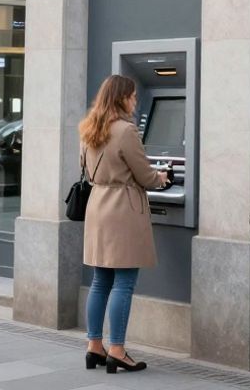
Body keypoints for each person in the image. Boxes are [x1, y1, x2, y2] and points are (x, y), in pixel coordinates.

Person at [80, 74, 169, 374]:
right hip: (123, 210)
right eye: (132, 96)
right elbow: (145, 176)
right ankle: (117, 350)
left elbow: (87, 170)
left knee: (100, 280)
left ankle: (94, 345)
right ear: (121, 98)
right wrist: (162, 177)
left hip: (98, 205)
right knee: (124, 281)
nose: (135, 101)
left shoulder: (89, 127)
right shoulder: (126, 130)